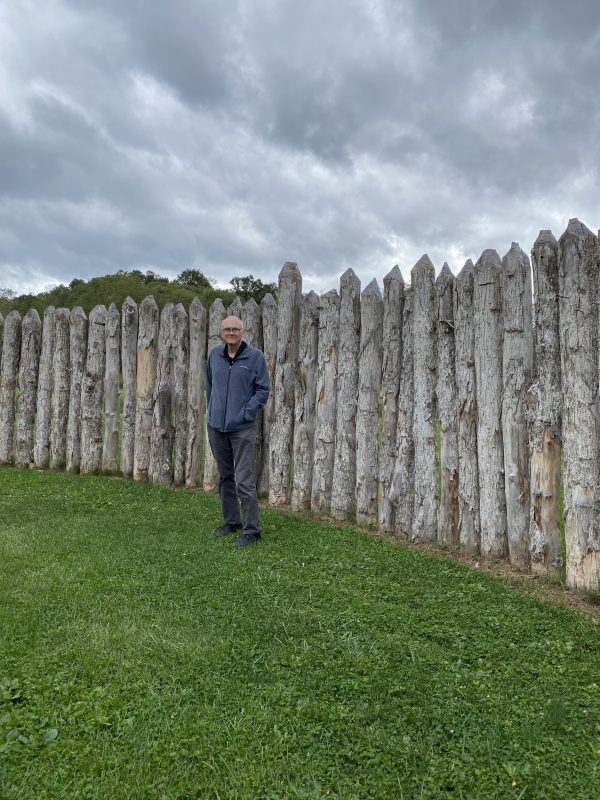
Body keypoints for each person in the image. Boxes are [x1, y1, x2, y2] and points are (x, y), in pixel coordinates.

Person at [206, 315, 270, 546]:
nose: (231, 333)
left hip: (242, 428)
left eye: (235, 329)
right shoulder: (214, 355)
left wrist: (247, 412)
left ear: (243, 332)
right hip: (216, 427)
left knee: (244, 479)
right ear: (221, 333)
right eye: (227, 330)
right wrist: (212, 411)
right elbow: (210, 385)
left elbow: (263, 390)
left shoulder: (255, 357)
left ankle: (252, 530)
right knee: (225, 477)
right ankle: (232, 522)